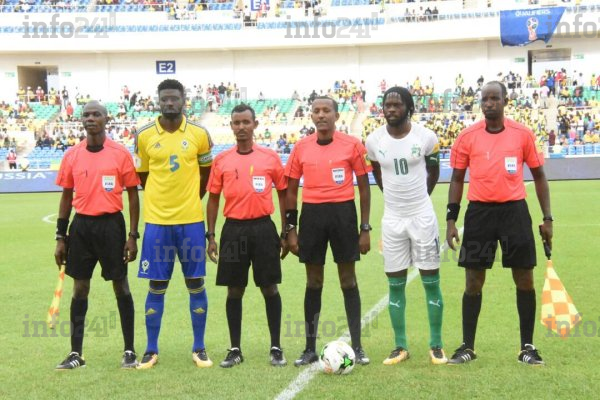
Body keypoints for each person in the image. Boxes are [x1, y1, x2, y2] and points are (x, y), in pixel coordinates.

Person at [446, 81, 553, 365]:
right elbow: (456, 179)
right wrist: (451, 219)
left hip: (514, 212)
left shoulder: (522, 134)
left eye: (494, 98)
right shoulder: (467, 137)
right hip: (479, 213)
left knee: (525, 278)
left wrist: (547, 218)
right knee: (473, 281)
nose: (489, 103)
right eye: (485, 99)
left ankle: (527, 347)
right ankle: (467, 346)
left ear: (506, 101)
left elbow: (539, 176)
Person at [284, 96, 372, 367]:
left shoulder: (352, 145)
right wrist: (290, 229)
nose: (321, 115)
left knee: (348, 280)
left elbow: (364, 188)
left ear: (336, 115)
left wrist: (365, 228)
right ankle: (309, 348)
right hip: (312, 216)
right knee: (314, 282)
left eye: (326, 110)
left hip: (343, 215)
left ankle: (357, 346)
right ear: (311, 116)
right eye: (316, 111)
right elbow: (290, 190)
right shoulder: (301, 147)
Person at [53, 100, 140, 370]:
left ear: (106, 119)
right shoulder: (72, 155)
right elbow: (66, 196)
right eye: (86, 115)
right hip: (81, 228)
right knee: (80, 288)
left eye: (96, 115)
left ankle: (129, 351)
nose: (90, 119)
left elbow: (133, 195)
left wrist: (132, 235)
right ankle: (76, 353)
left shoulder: (120, 153)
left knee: (120, 285)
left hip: (112, 226)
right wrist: (60, 236)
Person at [135, 79, 214, 369]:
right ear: (158, 101)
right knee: (157, 284)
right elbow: (143, 176)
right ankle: (151, 349)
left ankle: (199, 347)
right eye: (165, 99)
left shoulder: (199, 134)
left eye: (174, 98)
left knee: (195, 282)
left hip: (191, 222)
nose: (169, 103)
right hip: (157, 223)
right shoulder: (143, 135)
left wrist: (190, 199)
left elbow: (206, 174)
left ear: (183, 100)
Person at [365, 87, 447, 366]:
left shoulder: (426, 137)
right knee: (395, 283)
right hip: (392, 219)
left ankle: (436, 344)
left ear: (409, 108)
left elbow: (433, 172)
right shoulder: (374, 140)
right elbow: (377, 172)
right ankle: (400, 346)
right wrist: (395, 200)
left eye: (397, 105)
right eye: (387, 105)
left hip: (422, 217)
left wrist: (419, 200)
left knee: (430, 281)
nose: (390, 109)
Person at [205, 103, 289, 368]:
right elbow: (213, 199)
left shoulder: (270, 157)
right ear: (231, 126)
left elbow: (284, 194)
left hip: (264, 228)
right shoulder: (222, 160)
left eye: (246, 122)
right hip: (233, 230)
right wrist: (211, 235)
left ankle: (276, 347)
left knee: (269, 287)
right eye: (236, 122)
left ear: (255, 125)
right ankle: (235, 349)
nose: (241, 127)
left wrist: (286, 230)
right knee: (234, 289)